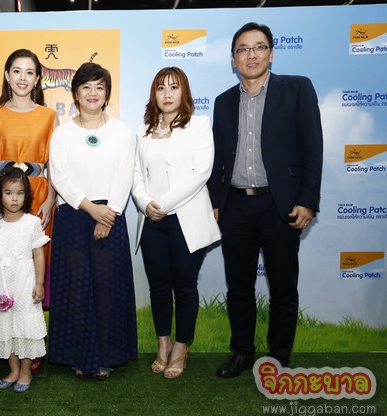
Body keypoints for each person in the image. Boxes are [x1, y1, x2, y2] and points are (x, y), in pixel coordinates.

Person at [208, 22, 323, 377]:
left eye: (259, 47)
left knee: (283, 288)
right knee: (238, 287)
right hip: (235, 206)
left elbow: (312, 147)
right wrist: (215, 201)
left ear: (271, 54)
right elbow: (218, 158)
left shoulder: (297, 89)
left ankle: (278, 359)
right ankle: (242, 352)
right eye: (243, 49)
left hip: (281, 206)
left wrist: (307, 199)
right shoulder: (224, 102)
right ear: (233, 59)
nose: (251, 55)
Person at [0, 48, 58, 375]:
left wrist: (51, 199)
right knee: (3, 262)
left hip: (38, 195)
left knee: (31, 269)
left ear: (37, 79)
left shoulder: (49, 116)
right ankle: (9, 347)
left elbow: (57, 164)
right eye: (17, 71)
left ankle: (30, 346)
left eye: (30, 72)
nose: (23, 78)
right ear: (7, 75)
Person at [48, 62, 137, 379]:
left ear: (107, 94)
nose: (93, 93)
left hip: (111, 215)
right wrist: (91, 209)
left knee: (107, 288)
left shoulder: (122, 131)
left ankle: (107, 357)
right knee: (76, 289)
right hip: (74, 217)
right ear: (75, 93)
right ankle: (78, 356)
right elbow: (59, 177)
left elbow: (125, 175)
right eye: (86, 86)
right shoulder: (62, 134)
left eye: (100, 87)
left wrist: (107, 215)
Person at [132, 67, 221, 379]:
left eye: (173, 87)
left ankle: (182, 347)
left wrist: (164, 204)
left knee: (184, 286)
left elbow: (201, 172)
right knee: (158, 287)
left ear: (184, 92)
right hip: (151, 220)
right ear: (154, 94)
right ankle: (163, 344)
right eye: (161, 88)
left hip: (186, 219)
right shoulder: (144, 131)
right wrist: (146, 204)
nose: (167, 94)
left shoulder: (199, 125)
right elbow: (135, 176)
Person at [0, 167, 50, 393]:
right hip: (1, 283)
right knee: (6, 327)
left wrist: (39, 283)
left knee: (25, 328)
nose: (14, 199)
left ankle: (26, 372)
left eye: (20, 193)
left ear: (26, 195)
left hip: (25, 282)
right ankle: (13, 370)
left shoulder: (32, 223)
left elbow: (39, 255)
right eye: (8, 193)